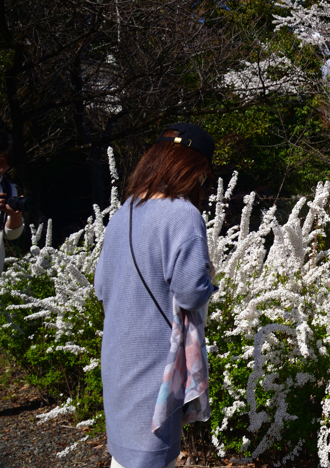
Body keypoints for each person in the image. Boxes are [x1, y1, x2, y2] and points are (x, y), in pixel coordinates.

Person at [94, 124, 217, 468]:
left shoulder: (122, 214)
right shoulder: (183, 215)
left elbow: (101, 287)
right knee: (150, 456)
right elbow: (191, 292)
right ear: (193, 170)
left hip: (118, 356)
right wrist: (210, 279)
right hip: (155, 362)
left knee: (124, 455)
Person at [0, 131, 25, 270]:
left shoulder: (8, 189)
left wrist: (16, 215)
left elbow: (11, 235)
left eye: (7, 164)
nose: (2, 169)